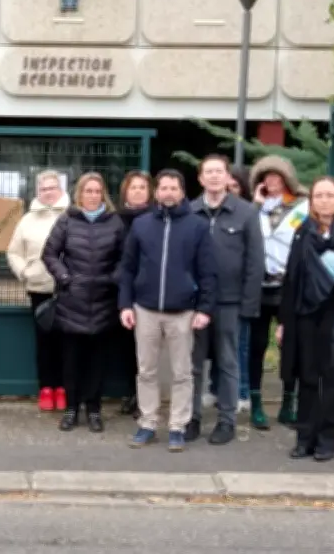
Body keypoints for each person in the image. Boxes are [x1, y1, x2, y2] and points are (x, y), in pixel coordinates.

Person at [119, 169, 216, 453]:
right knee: (146, 371)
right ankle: (148, 423)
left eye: (174, 188)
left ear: (182, 192)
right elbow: (128, 268)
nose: (168, 193)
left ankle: (177, 426)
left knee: (182, 373)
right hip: (145, 309)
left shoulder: (197, 226)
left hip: (183, 311)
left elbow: (208, 271)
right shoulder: (142, 225)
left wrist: (204, 308)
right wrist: (125, 304)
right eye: (163, 188)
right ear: (157, 192)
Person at [276, 177, 334, 461]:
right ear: (312, 201)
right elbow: (291, 278)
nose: (324, 201)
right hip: (305, 313)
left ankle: (328, 439)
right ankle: (305, 437)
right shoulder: (302, 233)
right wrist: (284, 321)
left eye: (329, 195)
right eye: (318, 196)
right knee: (306, 376)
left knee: (332, 378)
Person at [186, 155, 263, 445]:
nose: (214, 176)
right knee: (193, 363)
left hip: (230, 301)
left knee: (228, 362)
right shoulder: (189, 211)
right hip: (195, 302)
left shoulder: (246, 212)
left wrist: (249, 304)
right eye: (209, 172)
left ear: (228, 177)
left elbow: (255, 261)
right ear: (200, 178)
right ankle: (191, 418)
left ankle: (226, 420)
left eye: (219, 171)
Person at [42, 172, 125, 433]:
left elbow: (125, 259)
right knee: (71, 361)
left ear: (103, 195)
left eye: (97, 191)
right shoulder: (67, 219)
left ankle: (94, 410)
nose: (92, 196)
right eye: (88, 191)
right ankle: (71, 409)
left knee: (97, 362)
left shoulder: (114, 223)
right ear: (80, 193)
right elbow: (49, 253)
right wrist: (65, 277)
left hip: (103, 301)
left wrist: (112, 279)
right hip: (72, 302)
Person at [249, 156, 309, 430]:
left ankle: (288, 403)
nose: (271, 181)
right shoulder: (255, 209)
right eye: (266, 176)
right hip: (259, 287)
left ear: (287, 179)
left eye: (276, 176)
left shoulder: (302, 206)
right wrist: (256, 205)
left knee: (290, 346)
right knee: (257, 345)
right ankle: (256, 404)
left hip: (289, 285)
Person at [7, 170, 70, 412]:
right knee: (44, 341)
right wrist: (25, 272)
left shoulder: (72, 216)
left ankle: (63, 387)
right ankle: (46, 387)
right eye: (44, 189)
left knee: (67, 341)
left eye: (53, 187)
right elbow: (14, 252)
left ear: (61, 190)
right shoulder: (27, 220)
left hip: (68, 289)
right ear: (37, 192)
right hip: (39, 288)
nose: (48, 192)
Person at [116, 170, 153, 417]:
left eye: (142, 187)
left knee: (147, 349)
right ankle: (129, 392)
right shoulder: (116, 219)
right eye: (133, 187)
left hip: (148, 290)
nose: (138, 191)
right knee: (126, 347)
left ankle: (144, 398)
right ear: (125, 192)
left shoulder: (156, 218)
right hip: (120, 288)